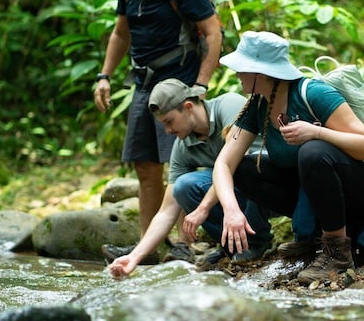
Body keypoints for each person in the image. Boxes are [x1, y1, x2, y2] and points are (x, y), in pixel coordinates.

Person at [212, 31, 364, 286]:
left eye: (241, 69)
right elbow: (223, 164)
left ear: (260, 73)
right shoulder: (259, 104)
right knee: (245, 168)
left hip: (362, 189)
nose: (236, 74)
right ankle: (312, 240)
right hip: (318, 194)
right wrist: (232, 210)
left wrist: (316, 132)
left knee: (312, 151)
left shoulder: (313, 93)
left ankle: (336, 252)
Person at [93, 0, 222, 253]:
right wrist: (104, 76)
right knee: (146, 164)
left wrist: (200, 86)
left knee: (182, 164)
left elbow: (212, 32)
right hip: (143, 84)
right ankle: (148, 246)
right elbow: (121, 33)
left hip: (179, 84)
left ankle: (184, 243)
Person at [107, 79, 273, 279]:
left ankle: (256, 241)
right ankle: (233, 243)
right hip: (237, 193)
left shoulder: (228, 106)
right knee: (183, 187)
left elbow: (234, 163)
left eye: (169, 122)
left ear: (187, 107)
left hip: (273, 185)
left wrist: (202, 209)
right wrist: (134, 258)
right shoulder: (183, 145)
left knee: (246, 166)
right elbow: (167, 211)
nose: (167, 131)